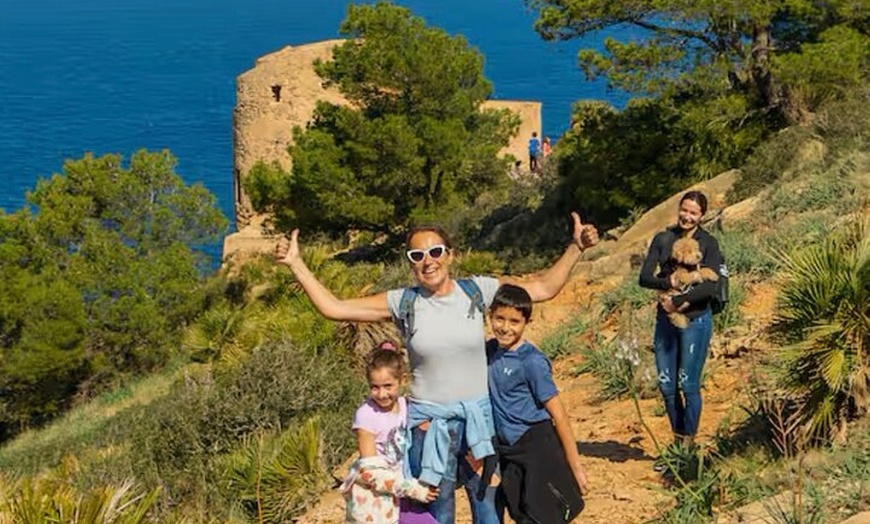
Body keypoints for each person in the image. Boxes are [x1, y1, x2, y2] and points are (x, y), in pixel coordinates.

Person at [275, 213, 599, 524]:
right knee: (437, 515)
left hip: (479, 428)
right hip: (429, 429)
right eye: (417, 255)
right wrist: (296, 264)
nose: (427, 260)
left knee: (487, 511)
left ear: (450, 255)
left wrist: (576, 248)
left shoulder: (477, 291)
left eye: (435, 251)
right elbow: (336, 308)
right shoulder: (403, 302)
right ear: (411, 262)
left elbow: (542, 288)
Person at [486, 284, 588, 523]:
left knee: (543, 514)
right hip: (508, 450)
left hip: (536, 445)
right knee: (519, 510)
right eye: (499, 318)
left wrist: (576, 467)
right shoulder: (489, 351)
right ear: (490, 316)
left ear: (527, 322)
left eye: (514, 321)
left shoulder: (531, 362)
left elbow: (559, 415)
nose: (505, 327)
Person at [638, 191, 723, 458]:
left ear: (702, 216)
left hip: (696, 319)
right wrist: (668, 284)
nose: (687, 216)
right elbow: (644, 277)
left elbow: (713, 285)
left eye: (693, 213)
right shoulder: (663, 238)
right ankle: (678, 439)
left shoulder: (708, 243)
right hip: (665, 319)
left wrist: (681, 301)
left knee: (688, 385)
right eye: (684, 210)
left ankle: (688, 446)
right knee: (666, 385)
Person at [341, 341, 439, 524]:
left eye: (388, 386)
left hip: (403, 493)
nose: (381, 394)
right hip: (377, 502)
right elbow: (370, 471)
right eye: (374, 387)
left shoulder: (406, 405)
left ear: (403, 380)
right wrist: (414, 489)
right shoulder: (366, 416)